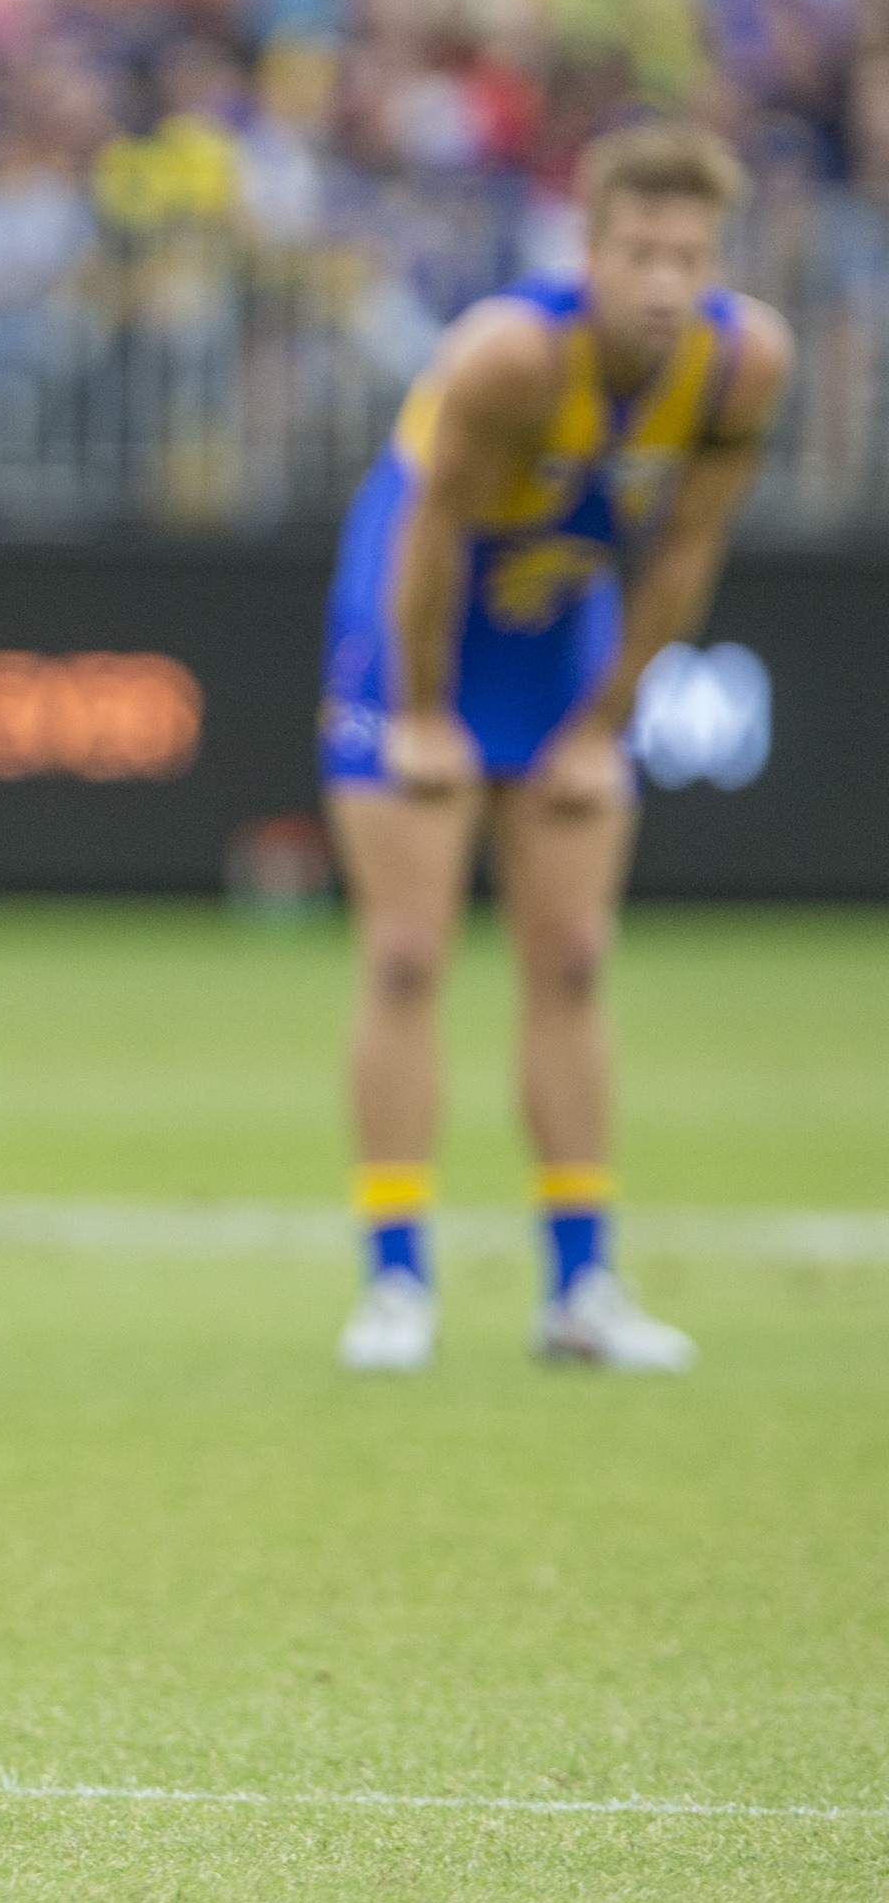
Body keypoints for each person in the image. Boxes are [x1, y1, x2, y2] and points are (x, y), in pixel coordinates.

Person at [317, 124, 792, 1376]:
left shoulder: (740, 367)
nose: (660, 282)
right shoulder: (506, 358)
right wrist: (420, 711)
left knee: (573, 954)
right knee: (410, 953)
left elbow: (684, 550)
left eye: (685, 256)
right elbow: (423, 549)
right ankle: (394, 1282)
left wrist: (601, 722)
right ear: (586, 248)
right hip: (412, 625)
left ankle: (580, 1287)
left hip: (555, 631)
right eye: (638, 251)